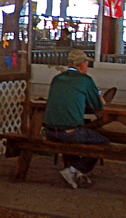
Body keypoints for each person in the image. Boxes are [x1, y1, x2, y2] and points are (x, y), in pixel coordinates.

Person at [42, 50, 106, 189]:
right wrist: (100, 98)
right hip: (70, 132)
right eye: (87, 62)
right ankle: (73, 170)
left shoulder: (57, 79)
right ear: (82, 64)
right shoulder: (85, 80)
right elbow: (97, 105)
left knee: (77, 140)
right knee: (103, 143)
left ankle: (77, 173)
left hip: (49, 132)